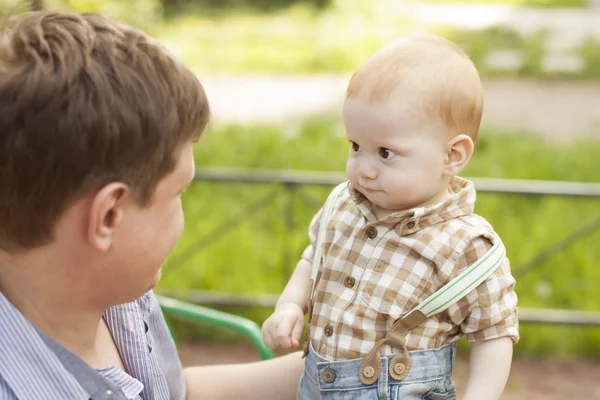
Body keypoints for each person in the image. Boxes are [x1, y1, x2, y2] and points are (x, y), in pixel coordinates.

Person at [0, 10, 303, 400]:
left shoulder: (119, 295)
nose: (183, 214)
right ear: (109, 216)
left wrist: (339, 373)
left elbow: (171, 391)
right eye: (179, 193)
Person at [262, 34, 519, 400]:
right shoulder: (343, 205)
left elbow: (494, 333)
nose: (364, 169)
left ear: (453, 155)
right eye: (355, 146)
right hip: (317, 386)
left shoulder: (467, 246)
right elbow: (313, 258)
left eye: (385, 153)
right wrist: (289, 304)